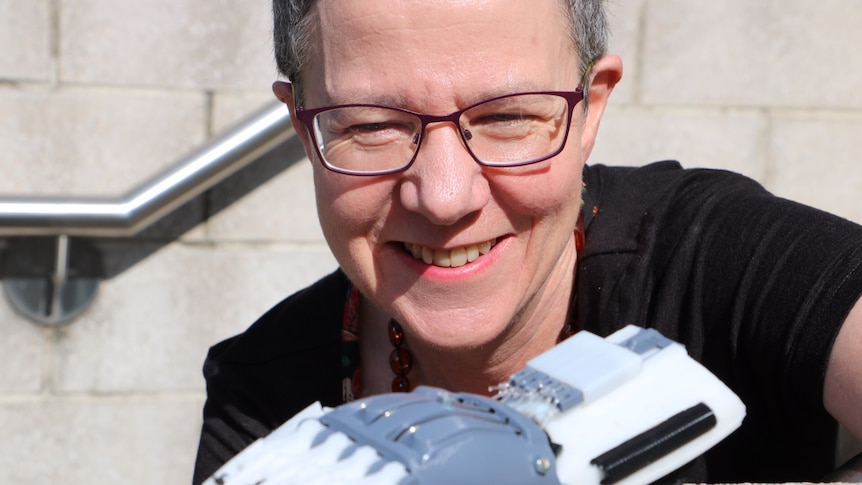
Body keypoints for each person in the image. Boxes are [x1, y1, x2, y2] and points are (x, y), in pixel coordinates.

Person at [193, 0, 862, 483]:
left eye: (508, 116)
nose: (446, 195)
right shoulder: (265, 391)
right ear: (303, 130)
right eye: (373, 125)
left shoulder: (722, 260)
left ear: (590, 107)